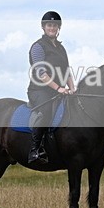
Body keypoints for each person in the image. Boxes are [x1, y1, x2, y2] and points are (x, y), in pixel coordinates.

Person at [27, 11, 75, 164]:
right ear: (43, 27)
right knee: (46, 110)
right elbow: (41, 73)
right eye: (49, 25)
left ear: (58, 27)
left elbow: (67, 70)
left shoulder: (61, 48)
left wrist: (72, 88)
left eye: (55, 25)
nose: (52, 28)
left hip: (58, 90)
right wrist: (58, 88)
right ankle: (35, 150)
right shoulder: (38, 47)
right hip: (40, 90)